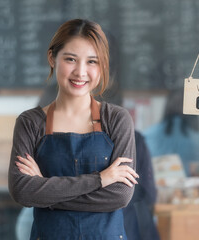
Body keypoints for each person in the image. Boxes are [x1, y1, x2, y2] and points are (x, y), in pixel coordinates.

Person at [8, 19, 139, 240]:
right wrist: (100, 180)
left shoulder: (116, 119)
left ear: (103, 66)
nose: (80, 72)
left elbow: (120, 196)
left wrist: (45, 191)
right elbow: (22, 191)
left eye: (92, 61)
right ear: (52, 58)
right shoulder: (30, 123)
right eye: (70, 59)